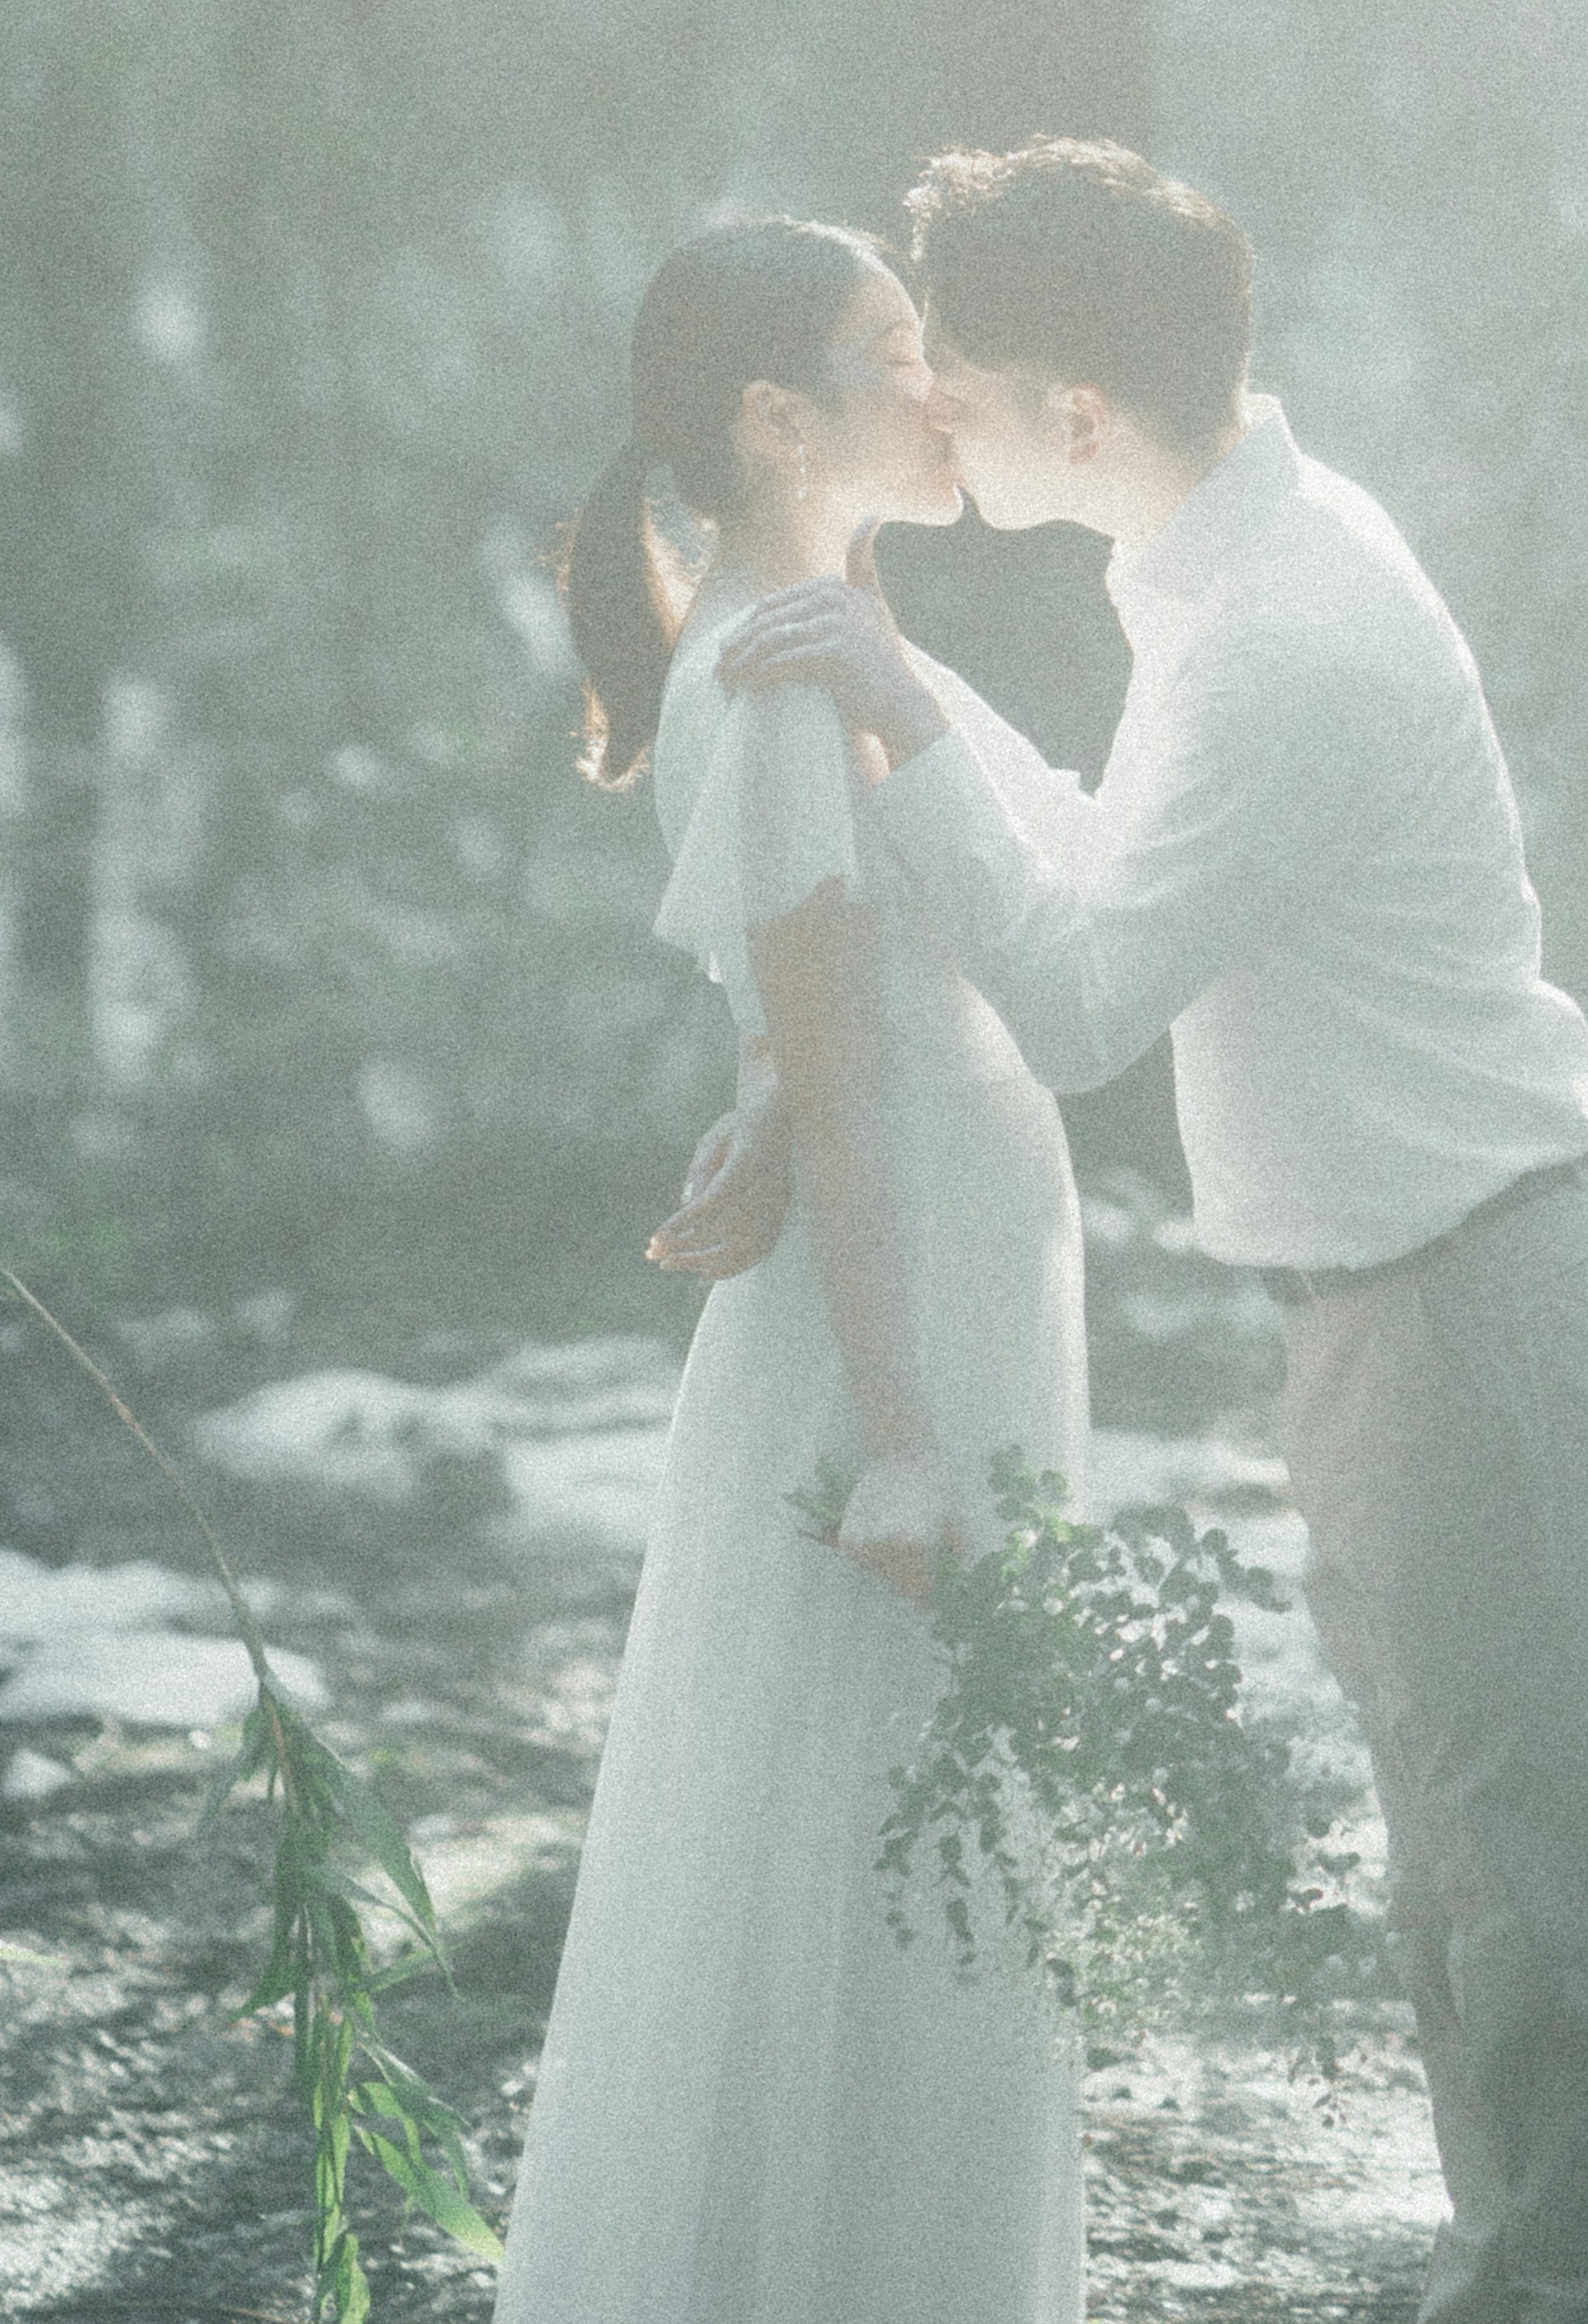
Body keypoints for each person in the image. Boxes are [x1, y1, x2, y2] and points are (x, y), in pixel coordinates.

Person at [700, 139, 1588, 2324]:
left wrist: (890, 706)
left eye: (956, 373)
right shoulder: (1227, 572)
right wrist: (914, 687)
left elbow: (1073, 1002)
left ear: (1079, 416)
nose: (931, 408)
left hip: (1478, 1316)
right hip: (1411, 1314)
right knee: (1470, 1901)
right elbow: (1104, 883)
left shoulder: (1283, 641)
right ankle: (1518, 2282)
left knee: (1549, 1919)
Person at [490, 217, 1087, 2324]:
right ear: (775, 417)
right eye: (896, 348)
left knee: (912, 1853)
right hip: (893, 1329)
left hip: (941, 1285)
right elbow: (840, 1078)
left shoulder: (824, 636)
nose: (942, 390)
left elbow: (840, 1015)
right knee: (882, 1855)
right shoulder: (771, 668)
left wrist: (769, 1089)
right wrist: (912, 1436)